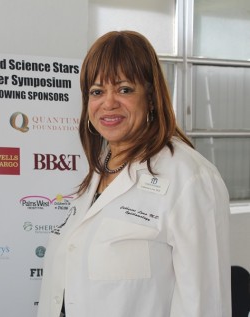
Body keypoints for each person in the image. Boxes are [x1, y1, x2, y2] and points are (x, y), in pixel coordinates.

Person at [37, 30, 231, 317]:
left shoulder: (190, 178)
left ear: (151, 97)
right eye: (97, 91)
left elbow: (204, 305)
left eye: (125, 89)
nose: (109, 103)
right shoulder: (98, 170)